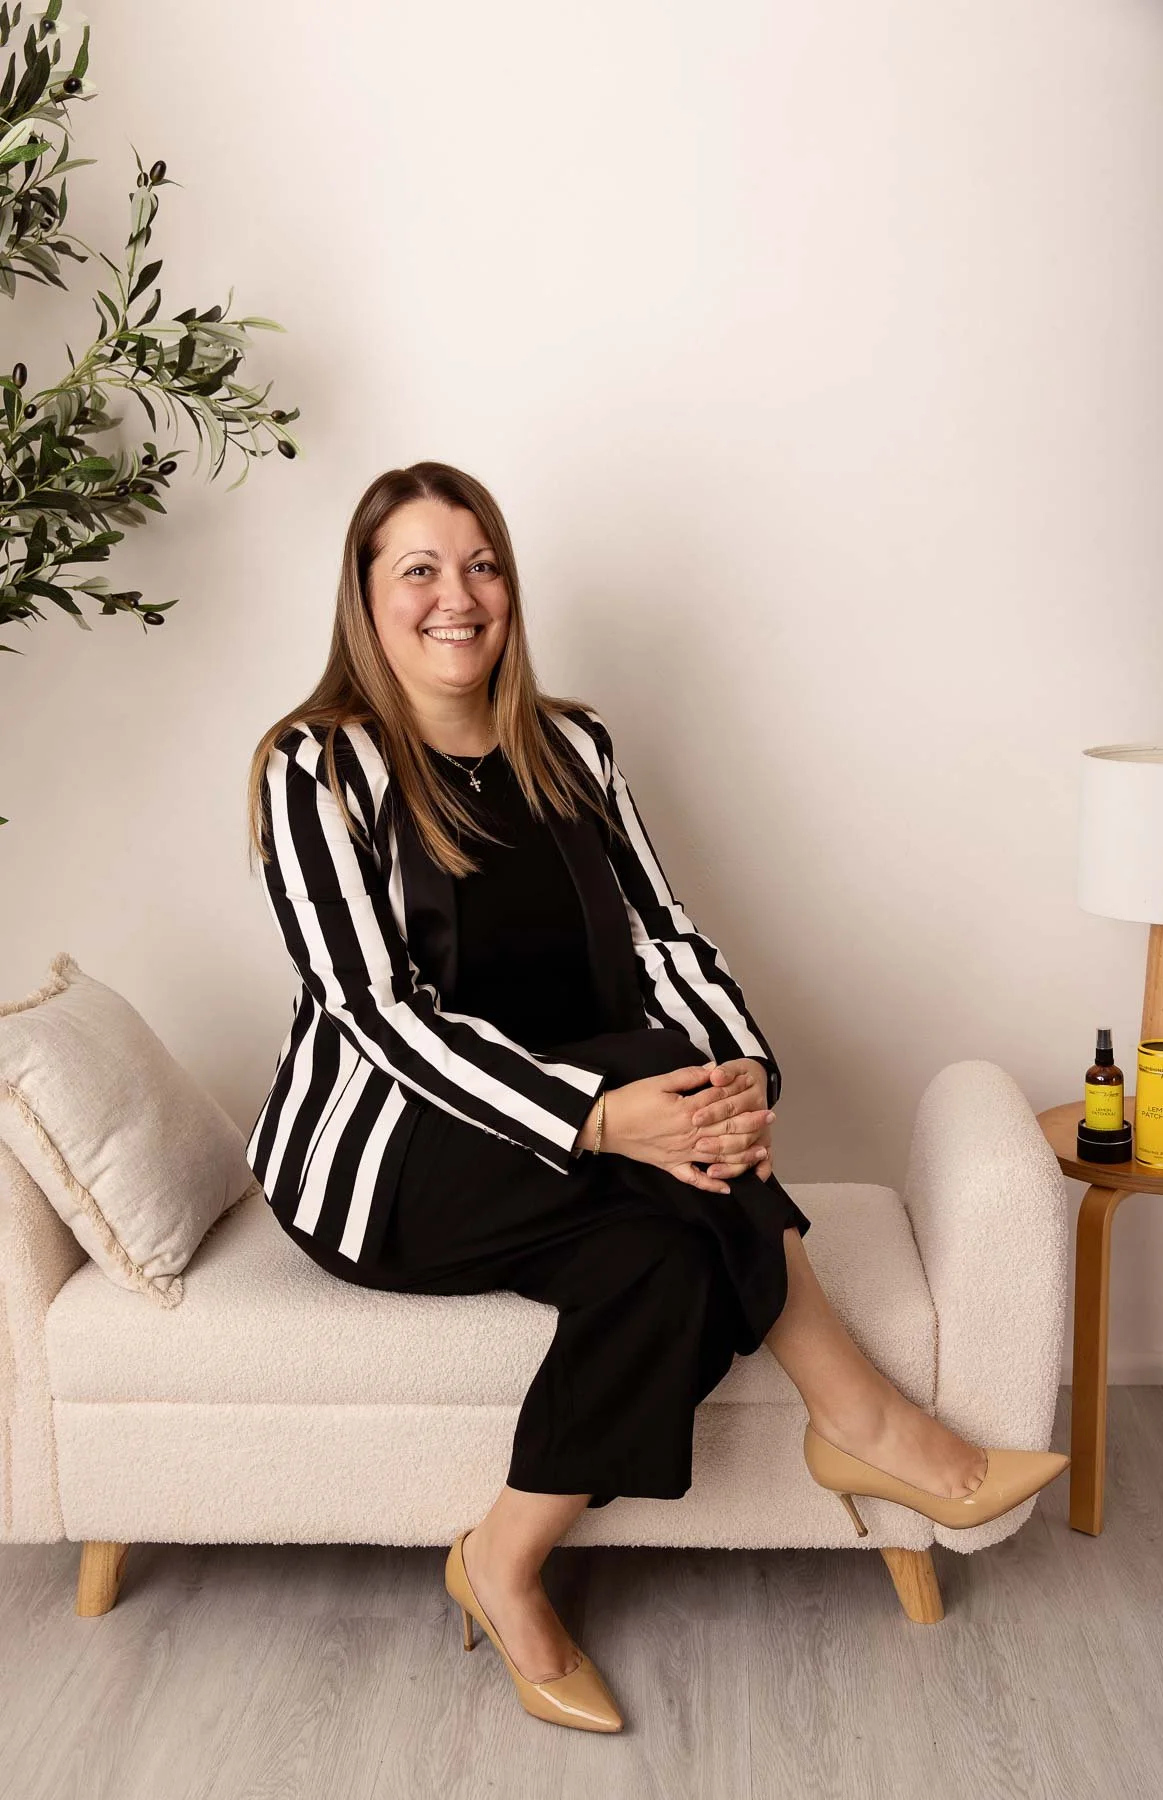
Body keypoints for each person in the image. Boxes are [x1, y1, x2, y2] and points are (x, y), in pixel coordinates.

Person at [245, 461, 1068, 1734]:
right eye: (417, 568)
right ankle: (864, 1421)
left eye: (480, 564)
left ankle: (501, 1560)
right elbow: (380, 1018)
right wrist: (601, 1114)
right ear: (364, 598)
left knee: (673, 1260)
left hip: (587, 1139)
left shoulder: (571, 747)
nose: (455, 596)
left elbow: (666, 945)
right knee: (634, 1067)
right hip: (392, 1158)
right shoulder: (319, 770)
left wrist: (739, 1076)